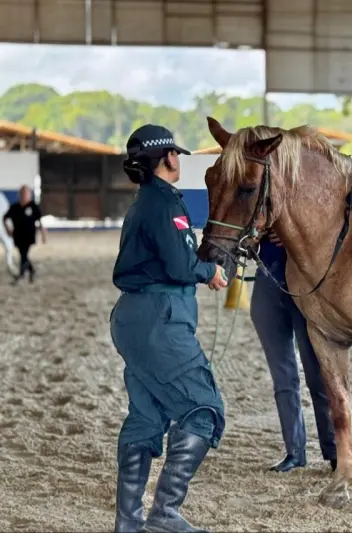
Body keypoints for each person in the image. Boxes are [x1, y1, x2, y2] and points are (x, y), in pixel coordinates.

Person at [109, 124, 228, 533]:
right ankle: (164, 513)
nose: (178, 159)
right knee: (203, 409)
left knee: (146, 416)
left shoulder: (144, 202)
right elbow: (180, 266)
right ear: (167, 158)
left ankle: (129, 522)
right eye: (175, 153)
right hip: (160, 320)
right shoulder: (165, 203)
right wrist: (210, 272)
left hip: (133, 318)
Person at [250, 229, 337, 473]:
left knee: (317, 375)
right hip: (267, 280)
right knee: (283, 378)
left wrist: (295, 234)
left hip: (306, 284)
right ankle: (295, 452)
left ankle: (334, 450)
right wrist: (252, 237)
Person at [3, 185, 47, 284]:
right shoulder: (14, 207)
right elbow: (5, 218)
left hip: (29, 235)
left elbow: (39, 221)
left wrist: (43, 233)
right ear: (19, 195)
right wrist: (8, 229)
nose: (24, 195)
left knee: (24, 255)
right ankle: (32, 271)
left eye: (26, 193)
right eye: (22, 194)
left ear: (29, 195)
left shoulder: (33, 206)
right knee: (23, 255)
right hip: (17, 235)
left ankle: (21, 275)